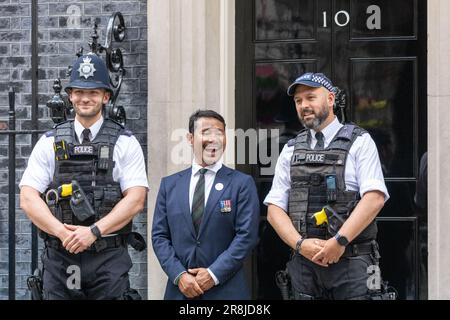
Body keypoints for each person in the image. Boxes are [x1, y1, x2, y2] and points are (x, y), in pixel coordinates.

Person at [19, 53, 149, 300]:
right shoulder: (48, 142)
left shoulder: (125, 142)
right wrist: (63, 232)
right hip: (60, 259)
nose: (85, 98)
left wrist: (93, 232)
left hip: (107, 258)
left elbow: (136, 199)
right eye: (78, 91)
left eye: (93, 92)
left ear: (105, 96)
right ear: (70, 96)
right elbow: (27, 198)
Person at [264, 72, 391, 300]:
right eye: (298, 101)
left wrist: (339, 241)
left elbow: (374, 198)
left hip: (353, 262)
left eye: (311, 97)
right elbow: (274, 210)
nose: (304, 105)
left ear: (330, 99)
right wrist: (300, 245)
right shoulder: (290, 150)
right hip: (304, 264)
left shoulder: (360, 142)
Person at [152, 109, 259, 300]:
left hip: (227, 291)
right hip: (180, 290)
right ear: (191, 138)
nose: (214, 139)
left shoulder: (241, 184)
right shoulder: (169, 185)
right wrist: (179, 275)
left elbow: (246, 236)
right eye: (206, 132)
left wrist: (213, 274)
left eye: (219, 132)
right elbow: (159, 236)